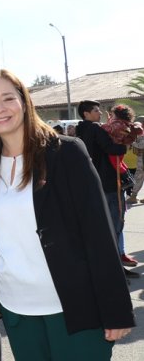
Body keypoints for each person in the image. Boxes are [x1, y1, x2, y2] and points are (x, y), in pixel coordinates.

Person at [0, 69, 134, 361]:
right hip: (16, 307)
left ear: (24, 101)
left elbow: (98, 232)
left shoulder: (66, 152)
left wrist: (116, 309)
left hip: (73, 305)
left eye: (8, 98)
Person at [75, 100, 137, 274]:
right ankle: (115, 267)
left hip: (95, 181)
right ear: (86, 113)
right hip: (109, 182)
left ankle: (114, 262)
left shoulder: (81, 130)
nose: (100, 113)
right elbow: (112, 149)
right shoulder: (95, 129)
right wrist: (125, 143)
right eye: (95, 110)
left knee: (106, 223)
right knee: (115, 223)